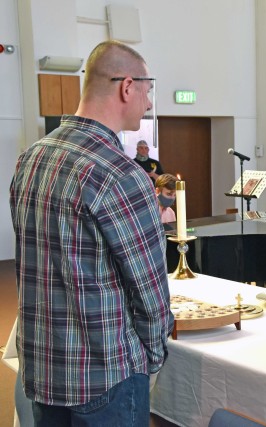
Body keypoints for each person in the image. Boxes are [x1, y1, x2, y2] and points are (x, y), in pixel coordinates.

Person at [10, 40, 173, 427]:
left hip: (43, 368)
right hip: (104, 376)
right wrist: (149, 360)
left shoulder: (30, 158)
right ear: (127, 87)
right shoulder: (121, 173)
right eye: (148, 92)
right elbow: (150, 291)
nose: (149, 104)